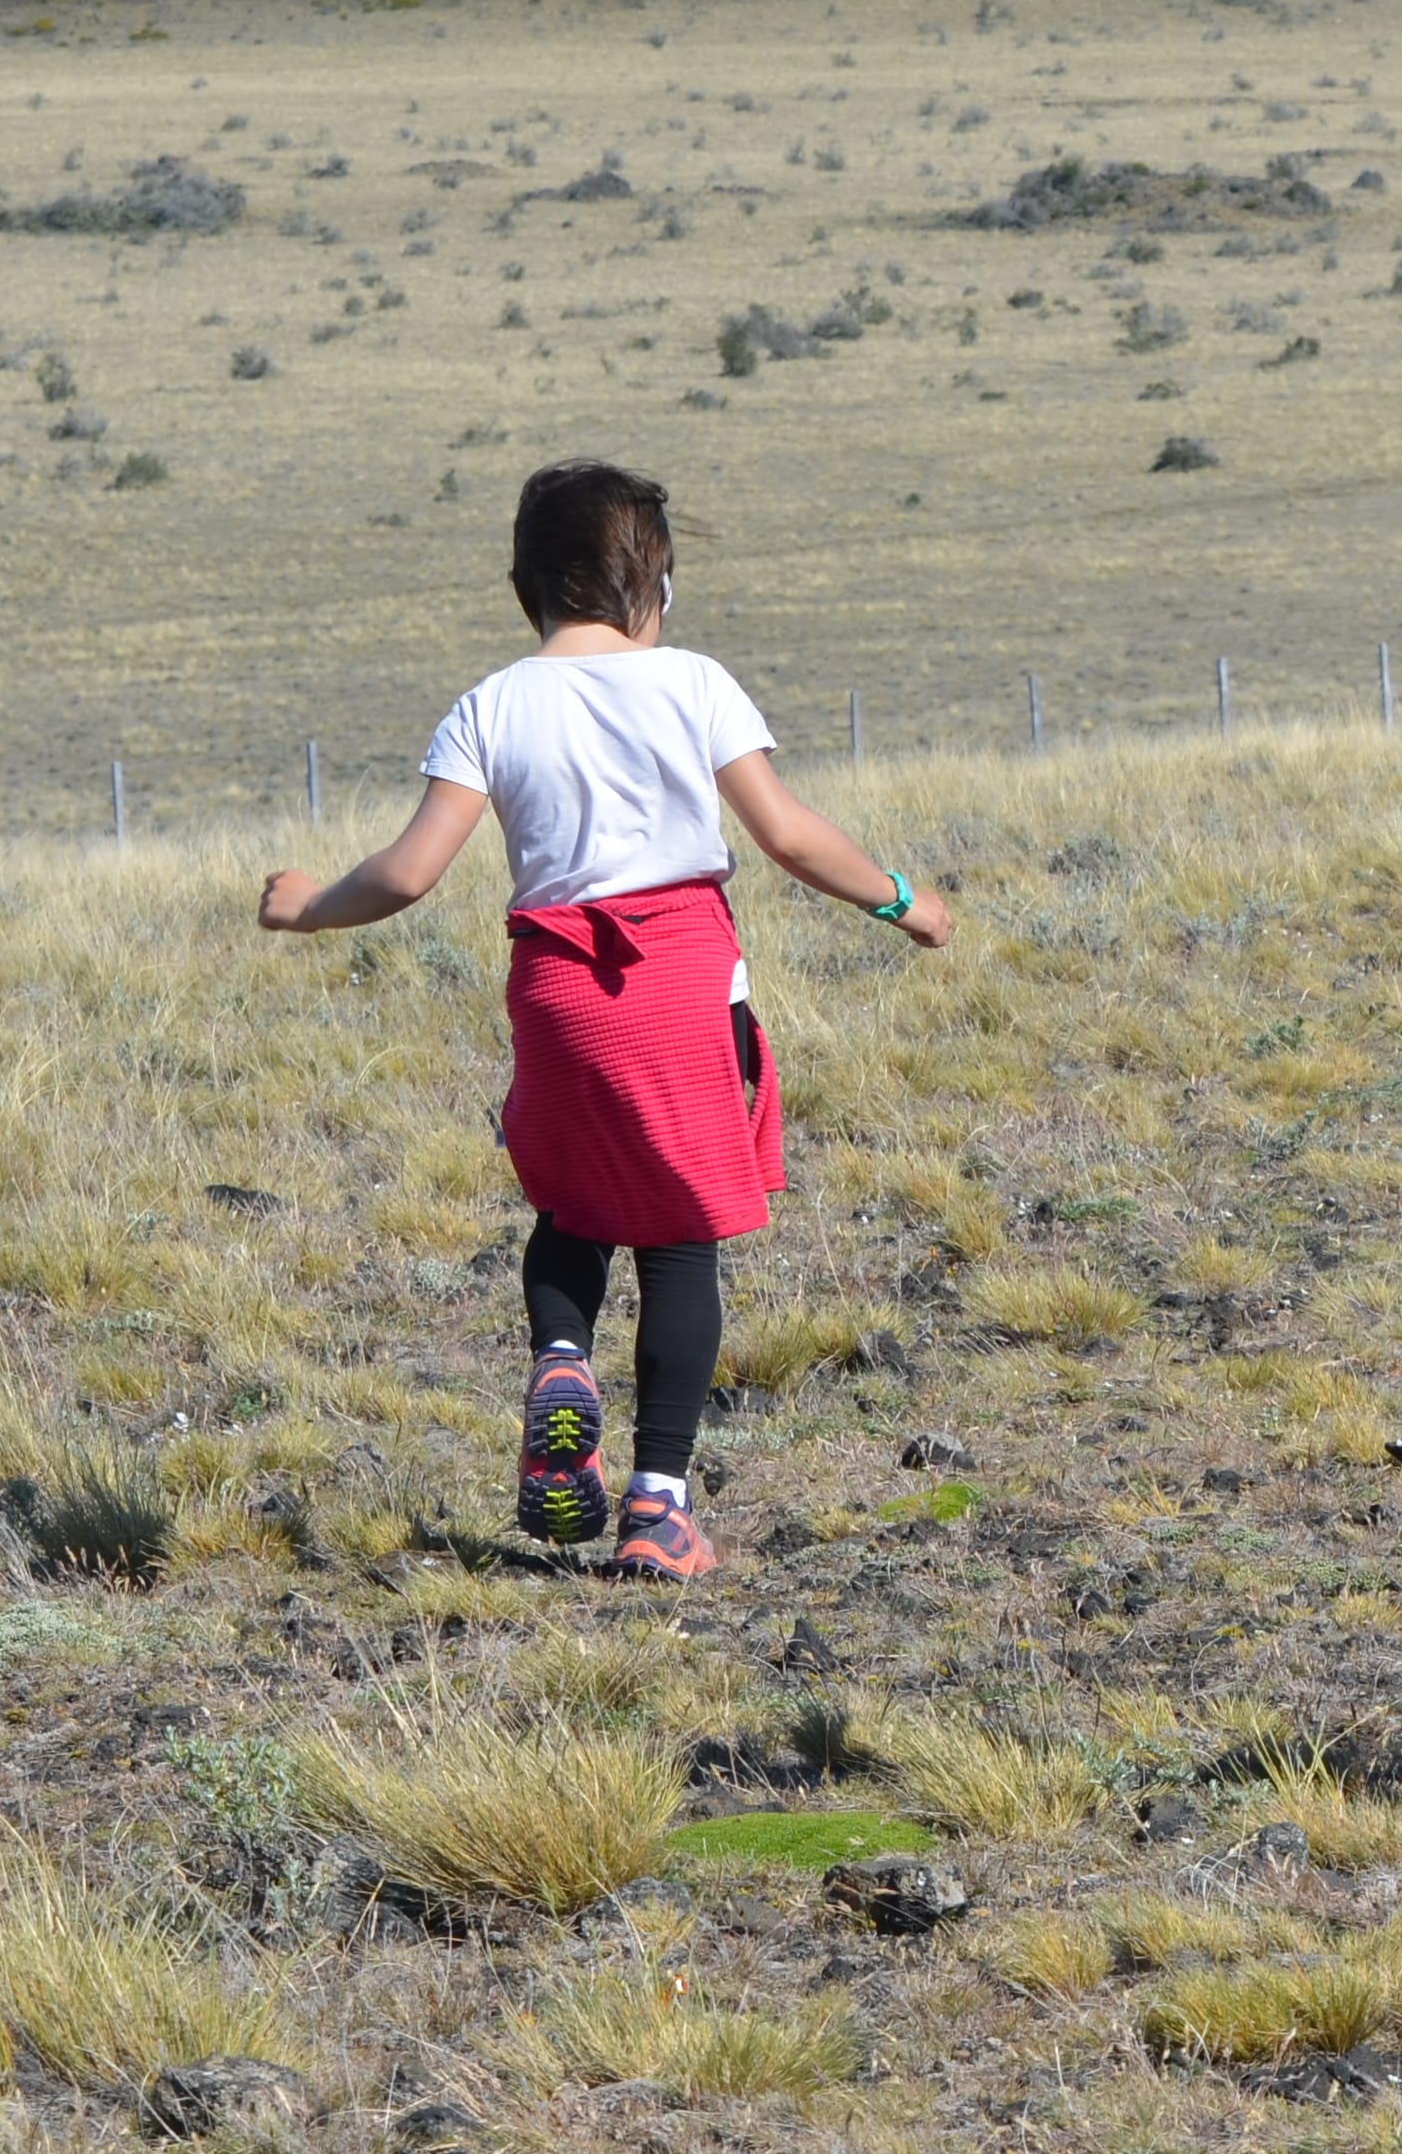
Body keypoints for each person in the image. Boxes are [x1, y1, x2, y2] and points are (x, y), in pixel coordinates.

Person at [258, 459, 949, 1581]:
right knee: (681, 1240)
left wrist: (305, 909)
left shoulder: (491, 705)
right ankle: (658, 1509)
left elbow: (409, 872)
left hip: (557, 994)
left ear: (522, 589)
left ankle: (562, 1357)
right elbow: (786, 835)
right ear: (655, 586)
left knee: (570, 1211)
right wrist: (904, 902)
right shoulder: (694, 683)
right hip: (682, 983)